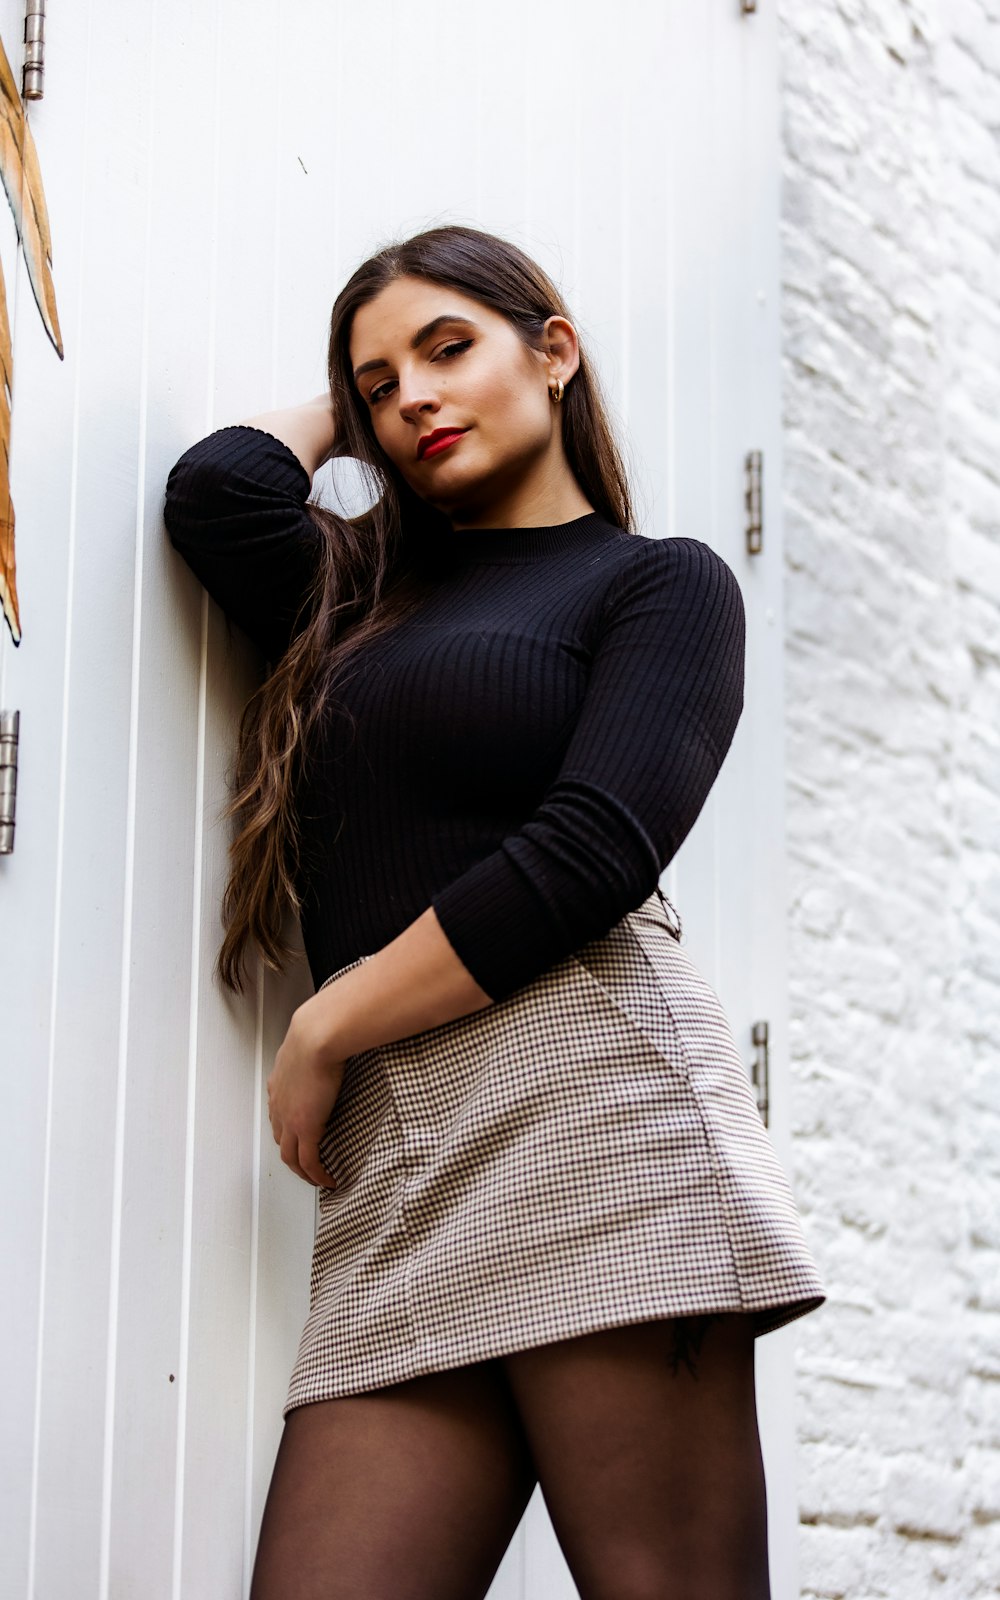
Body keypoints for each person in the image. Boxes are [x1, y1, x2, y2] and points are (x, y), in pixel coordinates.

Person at [163, 224, 825, 1600]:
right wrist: (346, 414)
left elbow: (592, 849)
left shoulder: (659, 584)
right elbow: (217, 494)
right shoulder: (357, 593)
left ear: (556, 349)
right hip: (401, 1167)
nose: (414, 395)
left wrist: (325, 1023)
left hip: (591, 1114)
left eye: (450, 347)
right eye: (379, 381)